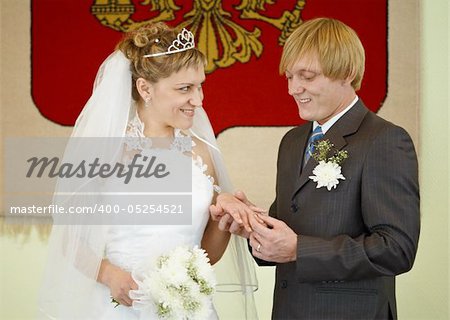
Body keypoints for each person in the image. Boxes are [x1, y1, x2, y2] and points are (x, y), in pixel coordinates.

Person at [38, 22, 258, 319]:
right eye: (185, 89)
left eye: (200, 86)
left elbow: (206, 255)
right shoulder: (105, 152)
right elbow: (69, 236)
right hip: (119, 308)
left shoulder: (201, 153)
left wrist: (226, 221)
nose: (199, 99)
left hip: (188, 311)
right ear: (145, 88)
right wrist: (109, 275)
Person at [212, 17, 420, 319]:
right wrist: (253, 225)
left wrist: (300, 250)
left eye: (307, 77)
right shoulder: (293, 141)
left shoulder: (384, 140)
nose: (294, 89)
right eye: (290, 77)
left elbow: (397, 248)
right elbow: (290, 227)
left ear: (346, 73)